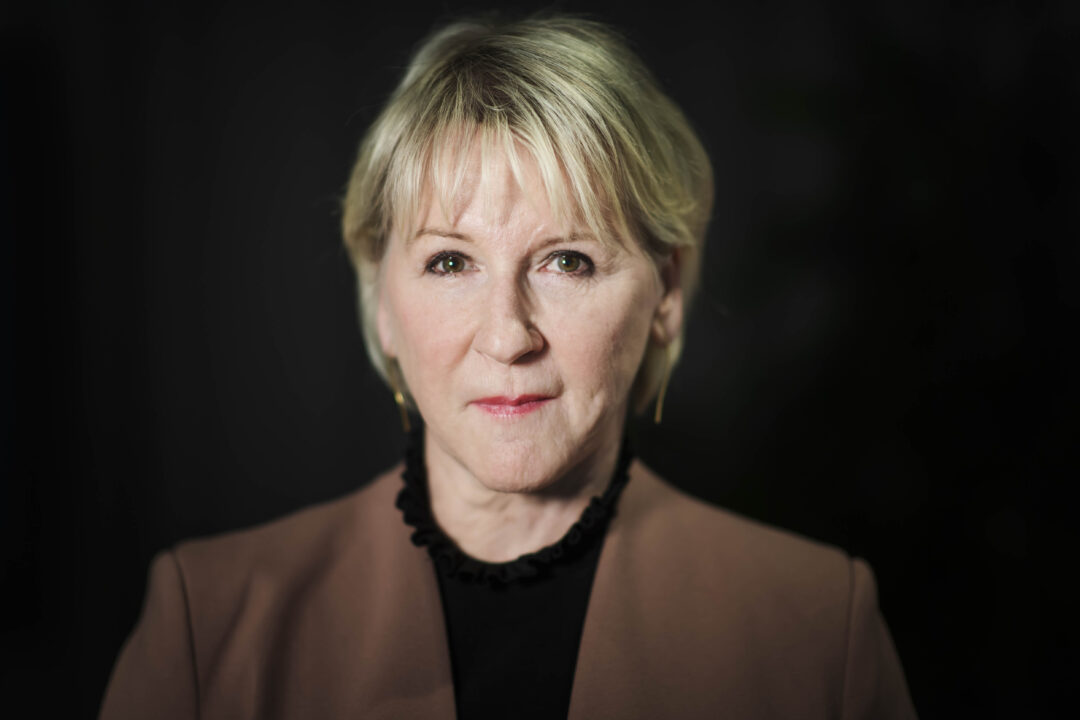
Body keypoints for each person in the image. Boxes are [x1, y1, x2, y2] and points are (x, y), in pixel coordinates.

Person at [100, 14, 917, 720]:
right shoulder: (208, 624)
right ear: (382, 302)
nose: (507, 336)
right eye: (451, 262)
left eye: (567, 260)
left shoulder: (819, 628)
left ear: (665, 293)